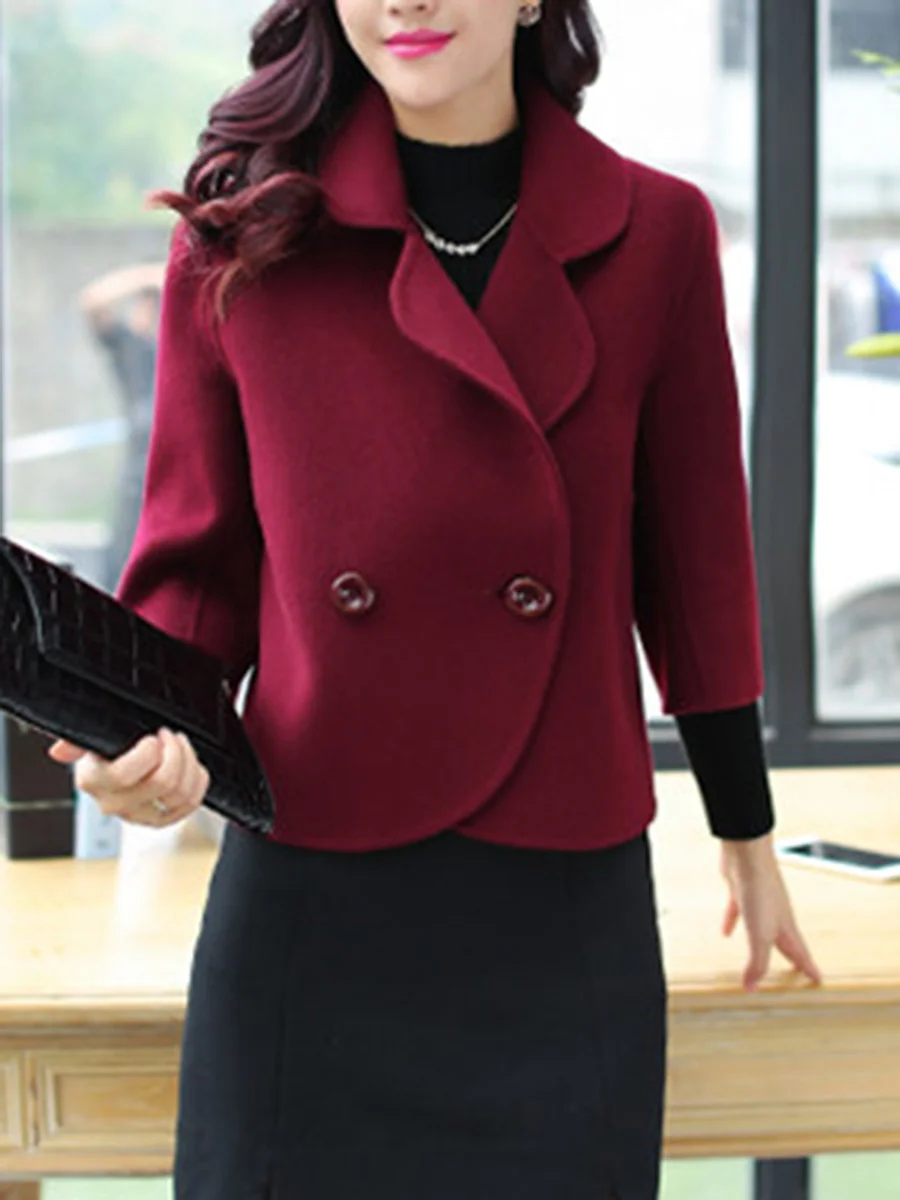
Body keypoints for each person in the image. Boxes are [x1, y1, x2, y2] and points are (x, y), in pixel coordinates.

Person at [49, 2, 822, 1197]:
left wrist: (747, 832)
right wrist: (136, 737)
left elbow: (698, 559)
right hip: (314, 894)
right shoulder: (241, 239)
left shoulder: (658, 233)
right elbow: (198, 564)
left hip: (559, 906)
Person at [77, 261, 165, 590]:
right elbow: (93, 300)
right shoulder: (132, 349)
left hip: (174, 478)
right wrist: (147, 277)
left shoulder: (182, 353)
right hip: (137, 479)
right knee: (121, 566)